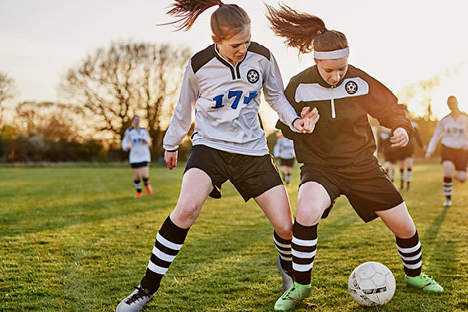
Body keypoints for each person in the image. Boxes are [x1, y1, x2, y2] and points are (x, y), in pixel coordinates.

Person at [116, 1, 319, 311]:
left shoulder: (262, 57)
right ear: (216, 41)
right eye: (237, 44)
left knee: (286, 228)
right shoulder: (198, 64)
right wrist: (171, 145)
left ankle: (288, 274)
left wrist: (295, 121)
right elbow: (183, 110)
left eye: (247, 40)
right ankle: (145, 289)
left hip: (252, 151)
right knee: (185, 210)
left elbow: (276, 96)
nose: (243, 48)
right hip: (210, 148)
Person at [265, 4, 443, 311]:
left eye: (341, 69)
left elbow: (391, 109)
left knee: (404, 227)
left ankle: (415, 275)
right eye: (328, 70)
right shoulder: (299, 85)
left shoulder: (359, 81)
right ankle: (300, 286)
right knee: (306, 212)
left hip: (363, 166)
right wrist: (301, 125)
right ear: (316, 60)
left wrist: (402, 128)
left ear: (349, 61)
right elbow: (284, 126)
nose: (335, 76)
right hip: (321, 167)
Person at [425, 95, 468, 207]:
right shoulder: (444, 120)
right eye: (449, 103)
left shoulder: (466, 118)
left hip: (462, 149)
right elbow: (436, 136)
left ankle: (458, 174)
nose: (451, 105)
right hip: (447, 147)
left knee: (461, 178)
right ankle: (448, 199)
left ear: (457, 103)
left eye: (453, 103)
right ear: (447, 105)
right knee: (447, 170)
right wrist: (430, 150)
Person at [121, 115, 153, 198]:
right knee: (137, 176)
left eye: (138, 120)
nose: (137, 121)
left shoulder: (144, 130)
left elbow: (148, 140)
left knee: (144, 175)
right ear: (132, 121)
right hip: (134, 156)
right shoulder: (129, 131)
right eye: (135, 120)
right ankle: (139, 192)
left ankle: (147, 185)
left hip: (144, 155)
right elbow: (125, 141)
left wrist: (146, 141)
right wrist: (126, 146)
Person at [397, 105, 425, 190]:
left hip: (410, 147)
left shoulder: (413, 124)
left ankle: (408, 184)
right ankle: (402, 182)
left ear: (408, 113)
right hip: (401, 147)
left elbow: (418, 136)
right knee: (402, 165)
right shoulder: (398, 124)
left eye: (405, 112)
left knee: (409, 164)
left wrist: (422, 145)